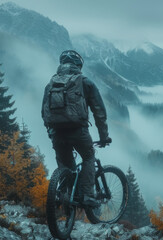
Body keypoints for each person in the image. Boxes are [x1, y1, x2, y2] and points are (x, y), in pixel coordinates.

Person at [41, 50, 111, 206]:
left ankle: (63, 195)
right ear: (79, 66)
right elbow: (99, 112)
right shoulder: (85, 82)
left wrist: (50, 132)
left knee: (66, 165)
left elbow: (44, 112)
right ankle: (87, 196)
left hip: (57, 133)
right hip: (78, 131)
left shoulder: (50, 84)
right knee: (88, 156)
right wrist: (104, 136)